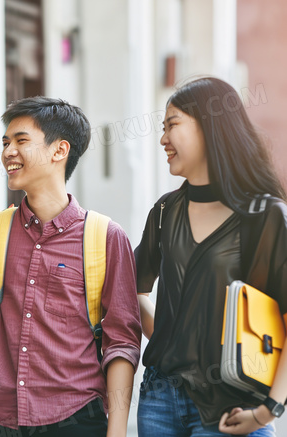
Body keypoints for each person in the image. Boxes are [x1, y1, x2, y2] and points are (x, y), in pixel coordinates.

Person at [0, 97, 142, 437]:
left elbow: (121, 347)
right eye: (5, 142)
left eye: (21, 141)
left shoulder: (105, 237)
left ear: (60, 151)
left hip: (75, 420)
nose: (8, 152)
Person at [136, 77, 287, 437]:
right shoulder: (164, 211)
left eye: (172, 125)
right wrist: (175, 340)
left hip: (233, 405)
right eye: (162, 128)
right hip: (160, 400)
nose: (163, 139)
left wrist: (269, 410)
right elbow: (133, 289)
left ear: (210, 127)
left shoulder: (264, 216)